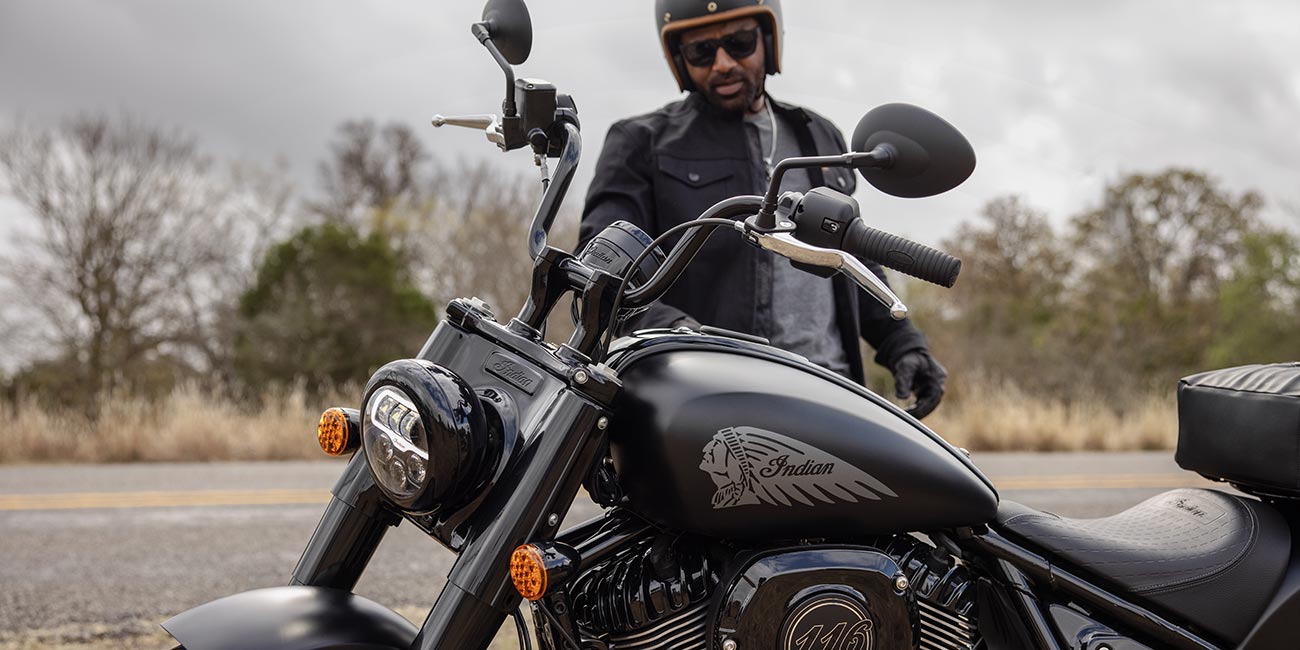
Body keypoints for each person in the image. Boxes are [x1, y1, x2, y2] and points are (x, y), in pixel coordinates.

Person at [579, 0, 948, 418]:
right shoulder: (641, 142)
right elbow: (604, 268)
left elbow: (848, 257)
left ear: (769, 40)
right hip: (706, 402)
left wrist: (903, 343)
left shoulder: (820, 137)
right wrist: (683, 339)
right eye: (701, 51)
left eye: (739, 42)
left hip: (831, 395)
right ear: (679, 60)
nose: (722, 64)